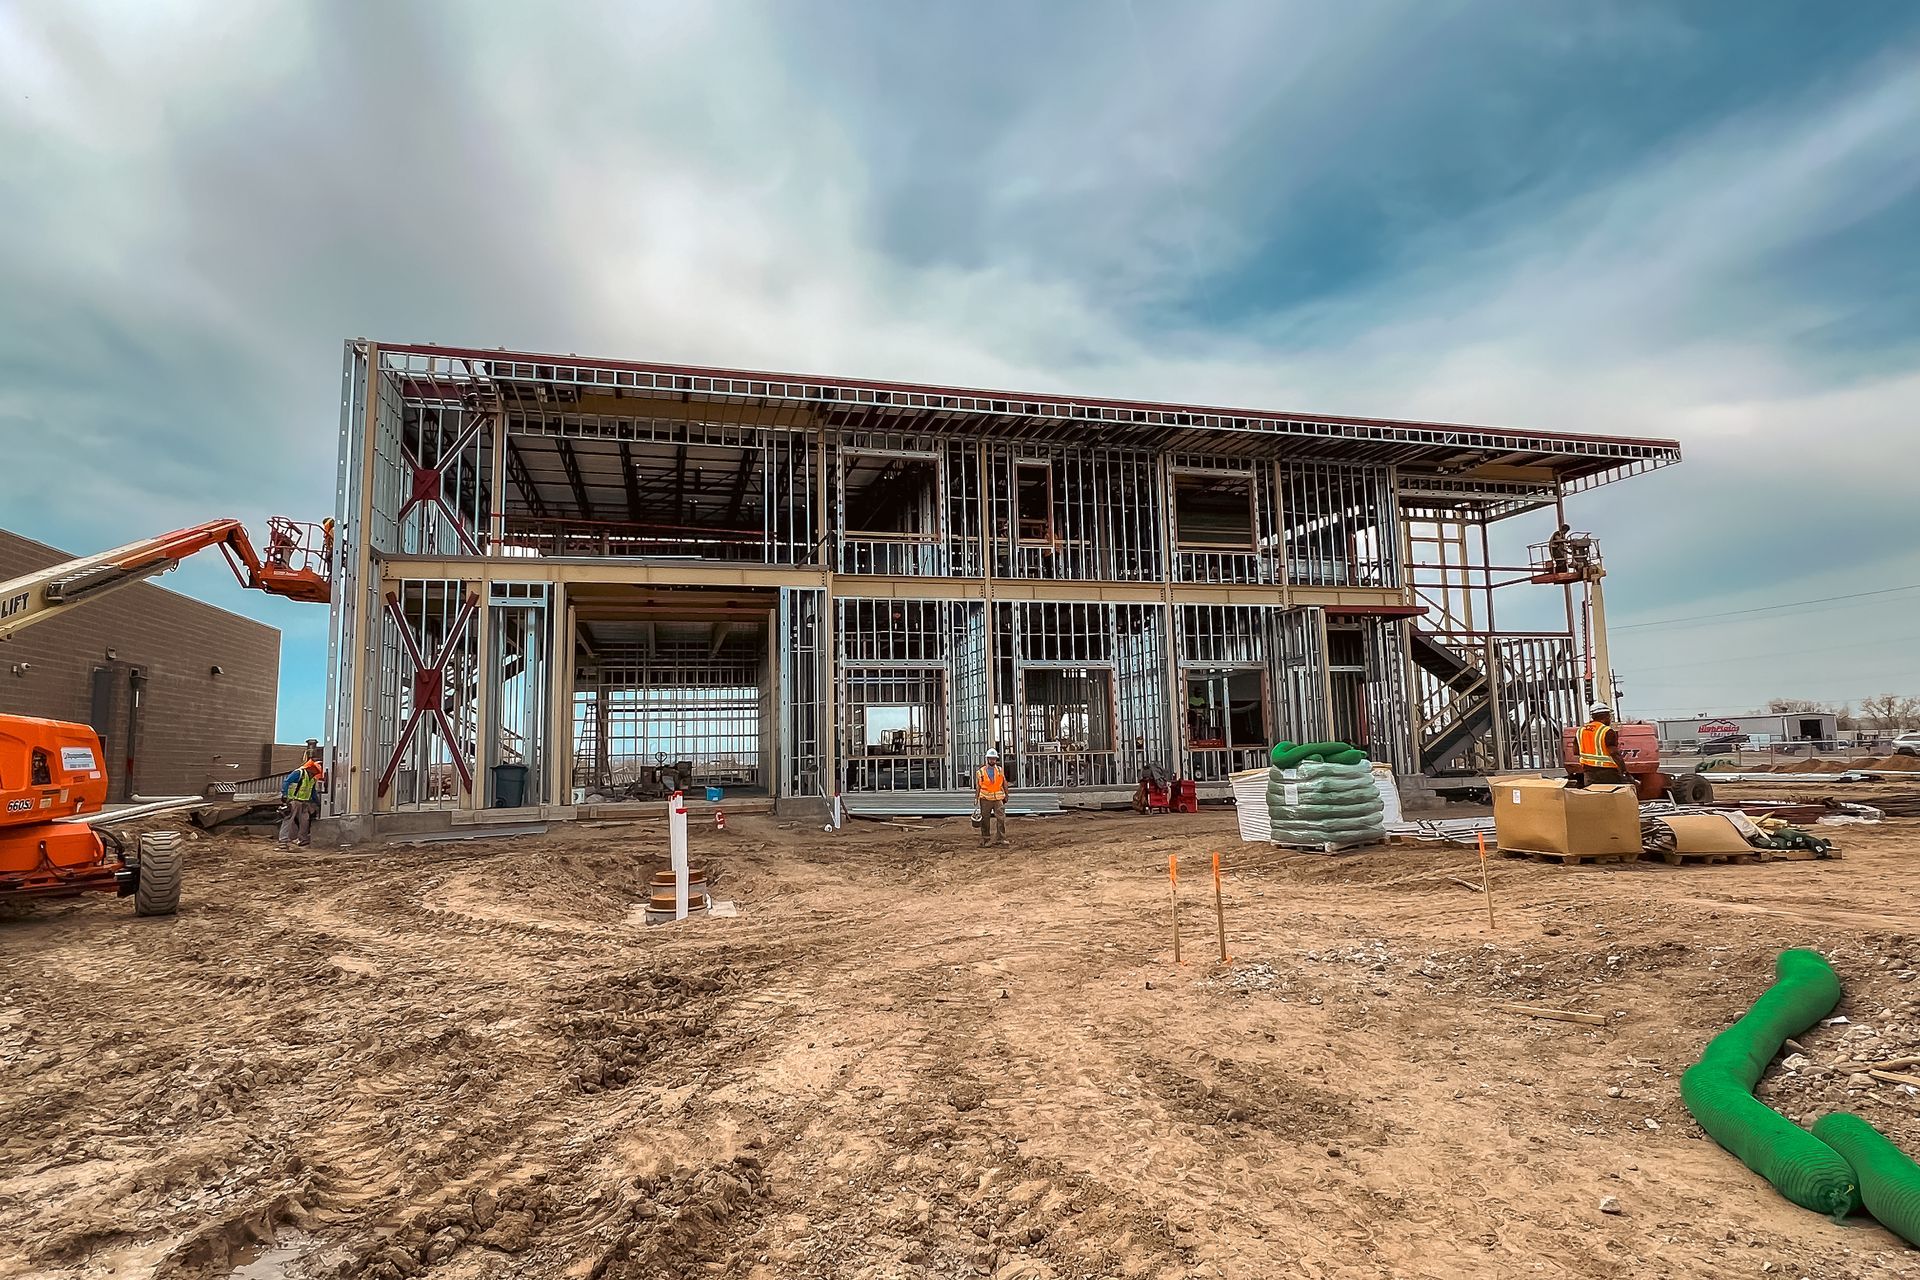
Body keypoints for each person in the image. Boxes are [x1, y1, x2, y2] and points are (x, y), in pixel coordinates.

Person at [1576, 703, 1630, 785]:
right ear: (1605, 717)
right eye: (1609, 716)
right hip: (1608, 772)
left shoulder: (1581, 730)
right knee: (1614, 795)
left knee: (1594, 794)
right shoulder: (1607, 731)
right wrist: (1624, 771)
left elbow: (1575, 751)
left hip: (1588, 771)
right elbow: (1614, 753)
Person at [278, 757, 325, 848]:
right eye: (316, 772)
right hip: (293, 801)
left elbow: (312, 792)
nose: (316, 774)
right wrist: (285, 795)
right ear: (311, 769)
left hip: (304, 802)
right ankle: (283, 840)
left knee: (305, 821)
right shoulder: (299, 773)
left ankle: (302, 839)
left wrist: (317, 802)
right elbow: (286, 782)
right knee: (289, 820)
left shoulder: (312, 779)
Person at [975, 748, 1009, 848]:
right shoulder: (980, 772)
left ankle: (1001, 838)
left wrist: (1006, 795)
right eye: (991, 759)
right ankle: (985, 839)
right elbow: (978, 786)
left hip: (998, 798)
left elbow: (1004, 783)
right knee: (985, 820)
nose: (993, 761)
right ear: (987, 759)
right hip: (985, 798)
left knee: (1001, 818)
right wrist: (976, 798)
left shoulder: (999, 770)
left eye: (994, 759)